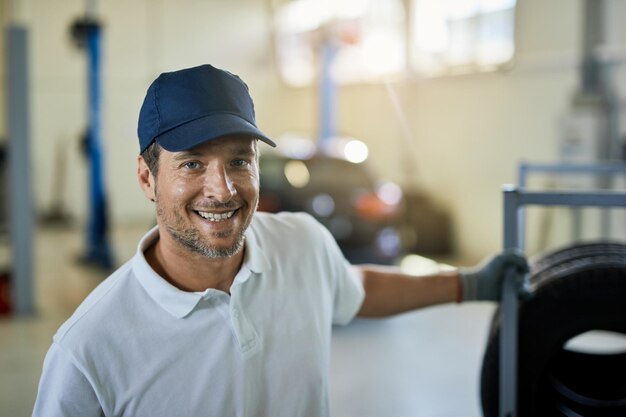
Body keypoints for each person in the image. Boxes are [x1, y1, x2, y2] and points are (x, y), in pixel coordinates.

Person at [31, 64, 528, 417]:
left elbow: (354, 289)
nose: (222, 190)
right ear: (146, 178)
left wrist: (469, 283)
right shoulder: (89, 351)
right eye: (192, 164)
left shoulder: (303, 244)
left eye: (239, 161)